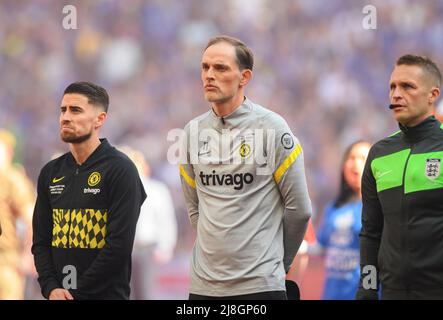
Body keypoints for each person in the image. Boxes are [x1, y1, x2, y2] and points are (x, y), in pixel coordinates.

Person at [179, 35, 312, 299]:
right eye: (205, 67)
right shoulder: (191, 133)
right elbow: (195, 209)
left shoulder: (273, 128)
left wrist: (277, 265)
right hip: (203, 288)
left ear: (245, 77)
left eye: (220, 68)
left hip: (261, 288)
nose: (209, 75)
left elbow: (300, 210)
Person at [32, 82, 146, 300]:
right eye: (63, 110)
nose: (65, 117)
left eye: (76, 110)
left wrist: (76, 293)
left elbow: (118, 247)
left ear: (99, 119)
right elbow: (41, 241)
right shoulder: (50, 172)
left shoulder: (121, 170)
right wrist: (51, 288)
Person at [357, 55, 443, 300]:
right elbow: (371, 232)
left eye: (408, 86)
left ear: (432, 94)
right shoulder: (379, 153)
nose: (396, 94)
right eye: (392, 86)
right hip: (393, 293)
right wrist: (367, 288)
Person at [314, 140, 371, 300]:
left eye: (362, 158)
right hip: (331, 294)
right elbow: (321, 246)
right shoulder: (333, 208)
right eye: (351, 158)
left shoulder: (380, 207)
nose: (356, 164)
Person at [120, 146, 178, 300]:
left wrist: (165, 246)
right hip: (124, 250)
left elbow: (166, 220)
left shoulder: (156, 190)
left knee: (147, 292)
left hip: (148, 248)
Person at [0, 129, 35, 300]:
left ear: (8, 152)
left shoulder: (13, 180)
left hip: (5, 261)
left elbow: (32, 221)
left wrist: (27, 255)